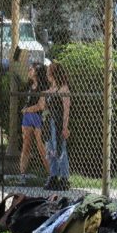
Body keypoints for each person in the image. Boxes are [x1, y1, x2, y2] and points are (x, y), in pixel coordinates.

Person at [19, 62, 49, 179]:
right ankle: (22, 175)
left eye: (31, 69)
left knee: (41, 147)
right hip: (27, 118)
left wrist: (27, 109)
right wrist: (27, 110)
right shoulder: (29, 86)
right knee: (26, 146)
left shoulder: (43, 87)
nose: (29, 70)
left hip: (38, 117)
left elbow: (41, 106)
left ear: (36, 72)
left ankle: (50, 176)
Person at [44, 62, 71, 191]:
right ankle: (53, 176)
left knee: (61, 151)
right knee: (51, 151)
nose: (47, 74)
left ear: (54, 73)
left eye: (49, 71)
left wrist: (65, 127)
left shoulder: (63, 89)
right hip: (50, 123)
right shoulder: (52, 88)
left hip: (59, 123)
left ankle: (64, 178)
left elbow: (66, 109)